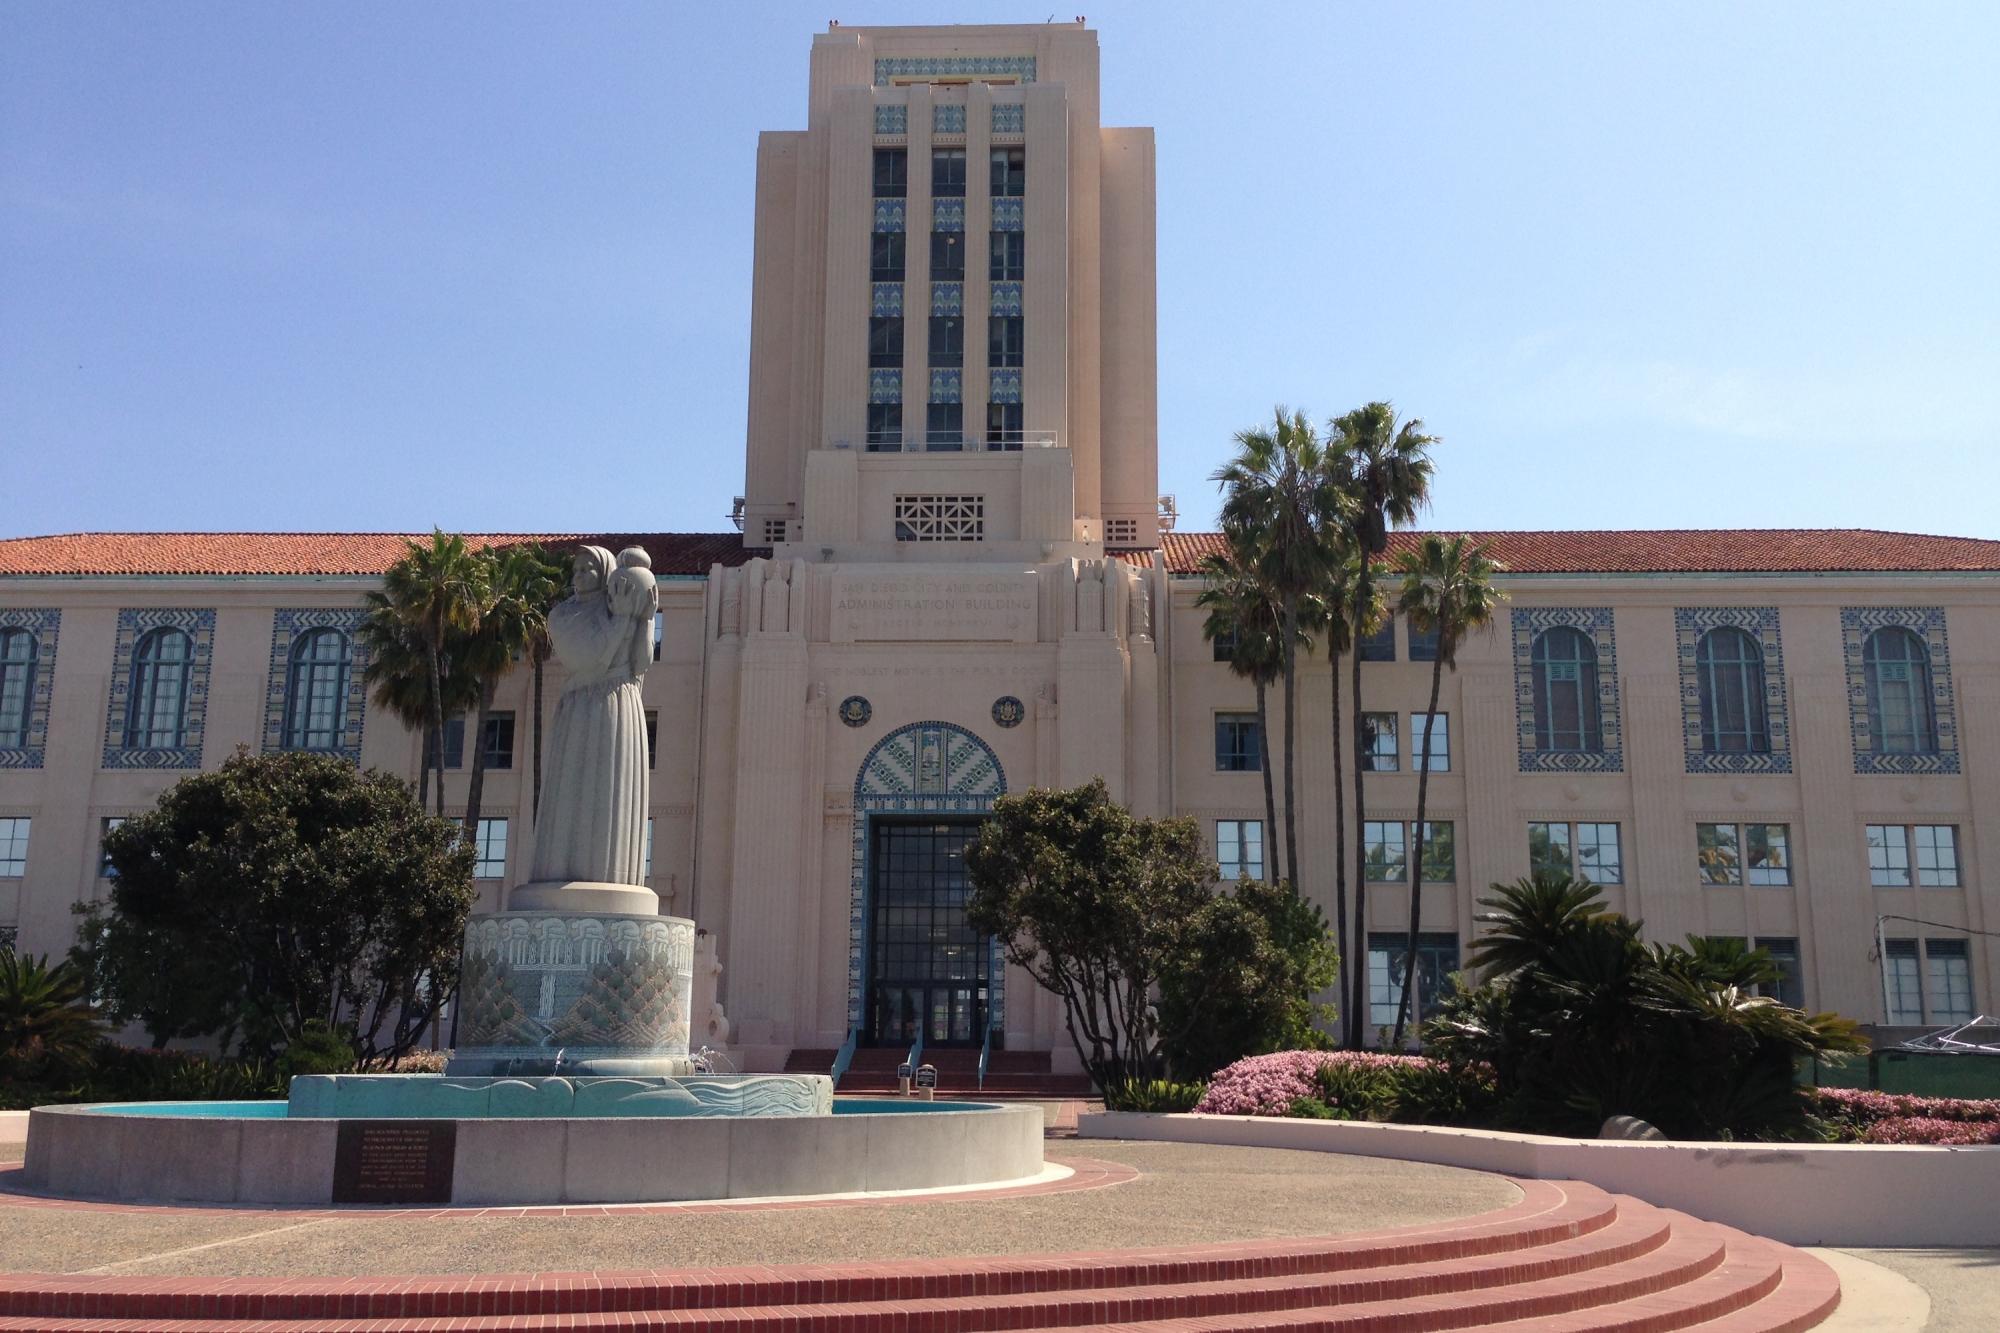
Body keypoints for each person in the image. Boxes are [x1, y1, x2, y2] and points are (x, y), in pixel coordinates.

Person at [524, 544, 654, 888]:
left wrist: (645, 620)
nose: (579, 576)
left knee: (614, 792)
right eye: (577, 570)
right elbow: (590, 659)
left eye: (587, 569)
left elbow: (641, 662)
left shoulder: (621, 601)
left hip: (622, 704)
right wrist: (623, 619)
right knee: (573, 789)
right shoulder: (563, 615)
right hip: (583, 706)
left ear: (605, 572)